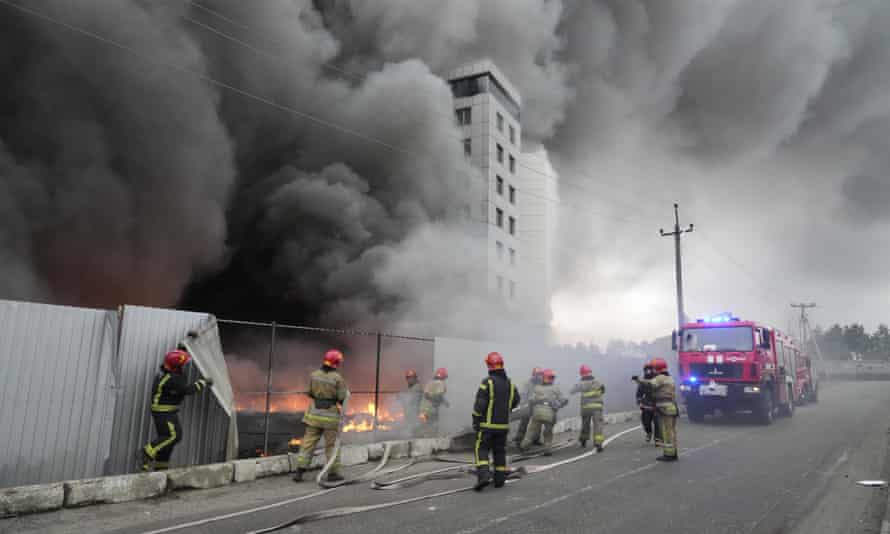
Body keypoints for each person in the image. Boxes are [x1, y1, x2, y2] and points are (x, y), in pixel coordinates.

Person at [140, 349, 212, 471]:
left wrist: (183, 348)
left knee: (167, 444)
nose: (185, 366)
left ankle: (160, 471)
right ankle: (146, 453)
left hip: (163, 411)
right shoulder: (173, 379)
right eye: (183, 364)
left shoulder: (167, 371)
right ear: (177, 366)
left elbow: (176, 358)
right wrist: (203, 382)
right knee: (174, 436)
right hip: (164, 412)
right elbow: (188, 390)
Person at [294, 349, 350, 482]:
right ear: (337, 363)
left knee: (308, 443)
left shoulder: (314, 375)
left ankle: (299, 472)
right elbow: (342, 398)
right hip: (330, 417)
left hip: (313, 415)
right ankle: (332, 473)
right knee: (331, 445)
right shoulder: (338, 379)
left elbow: (310, 393)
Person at [472, 352, 520, 491]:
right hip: (503, 427)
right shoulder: (510, 384)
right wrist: (506, 408)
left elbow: (479, 405)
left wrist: (476, 420)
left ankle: (484, 476)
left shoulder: (487, 382)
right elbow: (516, 401)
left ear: (488, 365)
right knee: (499, 451)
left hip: (486, 426)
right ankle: (499, 479)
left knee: (481, 449)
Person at [633, 358, 678, 461]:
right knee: (671, 432)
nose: (652, 371)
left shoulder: (660, 378)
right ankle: (673, 452)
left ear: (657, 368)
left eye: (653, 368)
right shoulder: (669, 378)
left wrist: (638, 380)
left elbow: (650, 384)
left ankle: (669, 455)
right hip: (671, 407)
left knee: (667, 433)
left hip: (664, 408)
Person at [520, 369, 567, 454]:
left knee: (531, 431)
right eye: (552, 378)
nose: (552, 379)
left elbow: (531, 400)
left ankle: (524, 446)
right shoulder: (555, 388)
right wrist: (559, 406)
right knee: (548, 432)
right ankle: (547, 450)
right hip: (549, 414)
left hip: (537, 413)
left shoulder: (537, 388)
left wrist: (531, 410)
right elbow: (563, 400)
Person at [571, 365, 605, 451]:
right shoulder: (597, 382)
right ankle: (598, 443)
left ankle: (583, 440)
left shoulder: (580, 383)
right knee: (598, 425)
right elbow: (603, 390)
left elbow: (572, 391)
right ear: (590, 372)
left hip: (586, 408)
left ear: (582, 373)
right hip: (597, 408)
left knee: (585, 425)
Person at [512, 367, 544, 447]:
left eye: (540, 374)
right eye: (537, 374)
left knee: (538, 423)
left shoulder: (542, 383)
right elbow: (523, 394)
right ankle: (519, 438)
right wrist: (523, 403)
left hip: (538, 406)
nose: (539, 376)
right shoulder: (528, 383)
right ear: (534, 375)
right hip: (528, 406)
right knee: (524, 422)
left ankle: (535, 439)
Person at [418, 368, 449, 437]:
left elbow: (426, 394)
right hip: (431, 410)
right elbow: (438, 396)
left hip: (423, 409)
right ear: (444, 376)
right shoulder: (441, 383)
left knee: (424, 429)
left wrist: (444, 402)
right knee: (432, 429)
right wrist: (444, 403)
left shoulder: (429, 382)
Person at [636, 361, 661, 445]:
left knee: (657, 422)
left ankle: (657, 438)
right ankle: (649, 433)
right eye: (646, 370)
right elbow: (639, 393)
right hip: (646, 405)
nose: (648, 371)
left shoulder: (658, 379)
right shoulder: (642, 381)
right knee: (646, 422)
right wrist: (639, 401)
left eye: (649, 369)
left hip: (657, 404)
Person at [399, 369, 423, 437]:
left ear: (415, 378)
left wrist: (402, 398)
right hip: (410, 415)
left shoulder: (417, 387)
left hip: (413, 415)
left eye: (410, 378)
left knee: (413, 432)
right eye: (407, 378)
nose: (408, 380)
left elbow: (412, 400)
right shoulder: (411, 387)